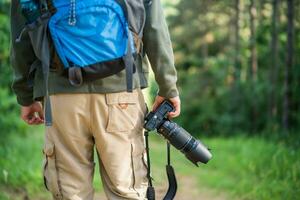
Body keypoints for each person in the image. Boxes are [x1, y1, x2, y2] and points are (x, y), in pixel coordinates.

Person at [10, 0, 180, 199]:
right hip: (122, 93)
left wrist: (25, 96)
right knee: (127, 190)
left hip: (60, 95)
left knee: (70, 191)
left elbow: (20, 36)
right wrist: (168, 88)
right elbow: (155, 28)